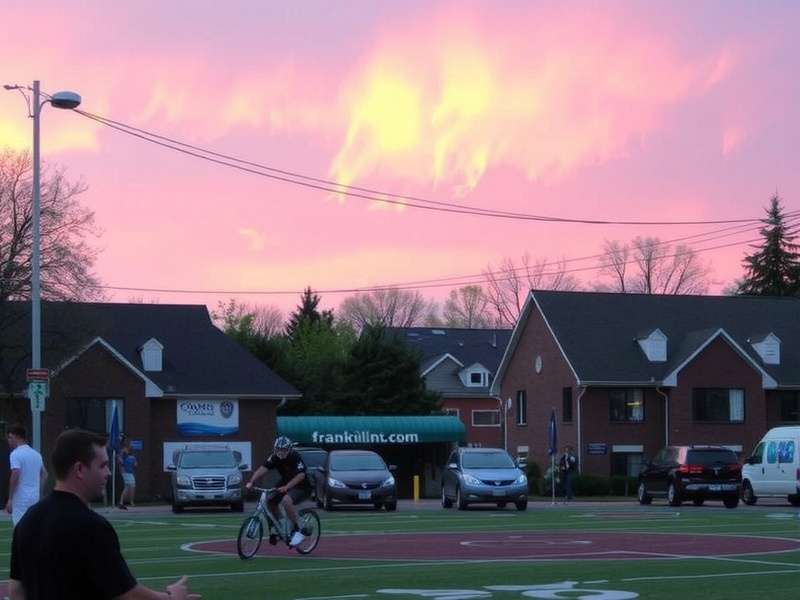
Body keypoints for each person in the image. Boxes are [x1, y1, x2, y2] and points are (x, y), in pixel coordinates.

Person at [9, 428, 201, 600]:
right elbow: (128, 594)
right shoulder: (92, 526)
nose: (108, 473)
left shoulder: (28, 520)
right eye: (102, 465)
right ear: (79, 469)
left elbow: (16, 591)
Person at [246, 435, 310, 547]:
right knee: (270, 501)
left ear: (289, 449)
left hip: (302, 486)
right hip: (285, 482)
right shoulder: (274, 457)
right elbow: (263, 469)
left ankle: (300, 528)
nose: (281, 452)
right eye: (278, 450)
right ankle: (280, 524)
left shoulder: (295, 457)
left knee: (286, 500)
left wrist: (287, 487)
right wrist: (251, 481)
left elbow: (301, 475)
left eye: (284, 450)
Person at [5, 424, 47, 527]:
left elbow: (16, 473)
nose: (8, 441)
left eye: (10, 437)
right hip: (34, 497)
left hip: (20, 498)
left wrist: (10, 498)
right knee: (32, 527)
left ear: (17, 437)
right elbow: (45, 474)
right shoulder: (36, 454)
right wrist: (39, 492)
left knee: (19, 527)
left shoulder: (15, 454)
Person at [118, 439, 137, 509]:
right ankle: (129, 502)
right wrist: (121, 462)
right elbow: (120, 458)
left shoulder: (132, 456)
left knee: (129, 487)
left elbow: (135, 465)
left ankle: (124, 502)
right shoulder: (123, 450)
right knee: (129, 487)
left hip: (129, 472)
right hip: (126, 472)